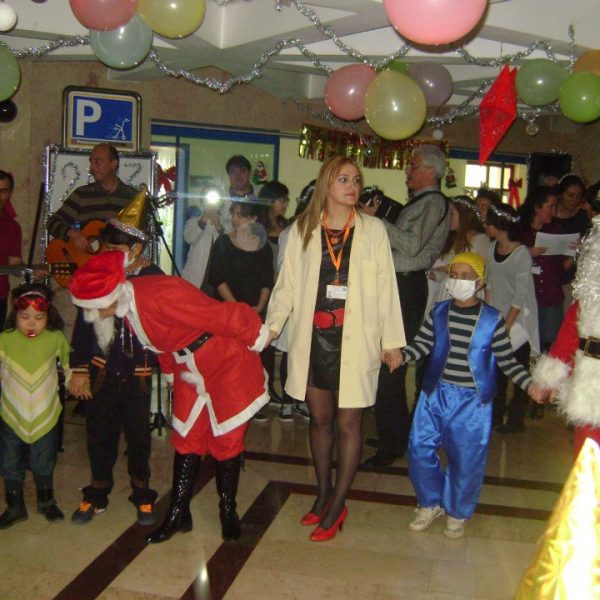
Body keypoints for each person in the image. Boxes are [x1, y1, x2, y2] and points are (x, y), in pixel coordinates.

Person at [69, 251, 269, 544]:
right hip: (188, 367)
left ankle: (228, 510)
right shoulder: (127, 306)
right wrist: (169, 374)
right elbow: (161, 345)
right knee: (186, 438)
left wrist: (258, 334)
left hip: (226, 362)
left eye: (93, 308)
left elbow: (220, 314)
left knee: (226, 441)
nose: (91, 315)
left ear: (109, 297)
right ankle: (178, 512)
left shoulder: (162, 293)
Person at [265, 156, 405, 542]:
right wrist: (272, 326)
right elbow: (286, 286)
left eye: (356, 180)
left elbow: (386, 287)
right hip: (315, 340)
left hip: (356, 338)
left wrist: (392, 341)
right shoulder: (303, 229)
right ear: (326, 185)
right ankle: (323, 493)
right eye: (344, 179)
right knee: (320, 420)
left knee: (349, 424)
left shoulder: (373, 230)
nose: (352, 186)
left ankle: (338, 503)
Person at [401, 253, 544, 539]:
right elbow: (422, 344)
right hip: (434, 395)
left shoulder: (492, 319)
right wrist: (401, 355)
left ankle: (457, 511)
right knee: (418, 448)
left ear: (479, 282)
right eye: (455, 275)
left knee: (466, 458)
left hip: (472, 401)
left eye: (466, 276)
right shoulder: (438, 312)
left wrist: (530, 385)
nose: (459, 281)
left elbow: (507, 361)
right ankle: (429, 503)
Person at [68, 196, 162, 526]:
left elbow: (160, 320)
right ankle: (96, 493)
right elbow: (83, 324)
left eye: (116, 248)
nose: (109, 253)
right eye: (106, 247)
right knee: (98, 434)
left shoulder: (153, 276)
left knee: (138, 437)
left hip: (138, 371)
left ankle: (142, 493)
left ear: (136, 248)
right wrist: (79, 369)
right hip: (101, 369)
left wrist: (126, 305)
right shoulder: (97, 272)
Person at [363, 144, 451, 469]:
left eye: (413, 165)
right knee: (386, 363)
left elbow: (412, 245)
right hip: (397, 283)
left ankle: (393, 444)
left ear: (430, 170)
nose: (407, 171)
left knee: (391, 364)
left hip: (405, 286)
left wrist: (376, 222)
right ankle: (394, 434)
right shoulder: (421, 202)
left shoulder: (434, 202)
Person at [0, 283, 70, 528]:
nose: (32, 323)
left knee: (44, 458)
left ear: (48, 316)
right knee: (9, 461)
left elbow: (70, 365)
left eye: (39, 318)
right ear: (15, 316)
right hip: (11, 413)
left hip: (45, 412)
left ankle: (46, 501)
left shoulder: (55, 338)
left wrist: (77, 380)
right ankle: (15, 507)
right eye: (25, 317)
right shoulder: (5, 340)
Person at [532, 214, 600, 458]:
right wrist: (548, 381)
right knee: (588, 461)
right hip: (591, 389)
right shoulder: (588, 300)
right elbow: (567, 340)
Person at [209, 200, 274, 422]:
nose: (235, 219)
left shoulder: (263, 246)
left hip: (255, 309)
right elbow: (217, 278)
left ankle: (254, 401)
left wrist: (260, 306)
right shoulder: (223, 242)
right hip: (228, 308)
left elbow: (267, 279)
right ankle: (227, 402)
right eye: (234, 214)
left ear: (253, 219)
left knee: (255, 357)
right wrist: (235, 306)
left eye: (240, 215)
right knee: (228, 356)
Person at [485, 204, 540, 432]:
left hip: (518, 322)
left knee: (518, 368)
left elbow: (520, 293)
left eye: (488, 222)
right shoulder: (492, 248)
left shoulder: (521, 253)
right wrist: (489, 317)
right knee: (496, 370)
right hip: (498, 317)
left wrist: (507, 325)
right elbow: (489, 283)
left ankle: (517, 419)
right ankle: (495, 416)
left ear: (500, 225)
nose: (485, 226)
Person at [46, 143, 140, 253]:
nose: (92, 167)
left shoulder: (132, 198)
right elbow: (52, 222)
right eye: (91, 161)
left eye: (98, 161)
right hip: (86, 261)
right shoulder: (82, 194)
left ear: (113, 164)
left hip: (118, 262)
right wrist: (72, 234)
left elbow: (140, 236)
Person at [427, 195, 489, 310]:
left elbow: (482, 272)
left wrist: (450, 268)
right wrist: (436, 274)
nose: (448, 218)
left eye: (452, 214)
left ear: (464, 216)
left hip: (468, 294)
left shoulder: (480, 240)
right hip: (446, 291)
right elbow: (444, 275)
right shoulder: (450, 239)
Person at [553, 174, 589, 313]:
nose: (574, 200)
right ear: (560, 195)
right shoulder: (549, 215)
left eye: (578, 196)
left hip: (571, 277)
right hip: (548, 275)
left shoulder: (582, 217)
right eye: (570, 195)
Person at [181, 188, 223, 292]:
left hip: (216, 282)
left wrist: (218, 226)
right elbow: (189, 238)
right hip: (195, 280)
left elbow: (225, 249)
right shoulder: (193, 222)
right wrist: (205, 217)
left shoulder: (225, 224)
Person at [0, 170, 22, 329]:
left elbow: (15, 263)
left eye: (3, 191)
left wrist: (30, 271)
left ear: (10, 193)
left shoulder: (12, 227)